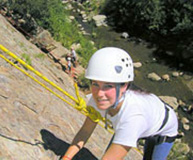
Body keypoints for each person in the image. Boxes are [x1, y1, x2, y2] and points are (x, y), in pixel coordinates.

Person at [62, 47, 179, 160]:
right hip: (146, 114)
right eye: (95, 84)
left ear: (125, 86)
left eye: (108, 86)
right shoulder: (99, 98)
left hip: (163, 128)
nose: (99, 94)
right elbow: (85, 131)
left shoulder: (132, 118)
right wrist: (66, 157)